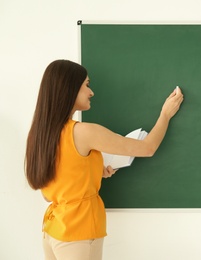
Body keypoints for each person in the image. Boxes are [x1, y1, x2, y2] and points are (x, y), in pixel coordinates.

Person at [24, 59, 184, 260]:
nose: (91, 92)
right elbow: (147, 148)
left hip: (53, 231)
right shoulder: (83, 132)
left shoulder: (40, 135)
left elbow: (50, 192)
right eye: (86, 85)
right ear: (69, 88)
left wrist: (93, 172)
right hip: (78, 233)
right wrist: (165, 114)